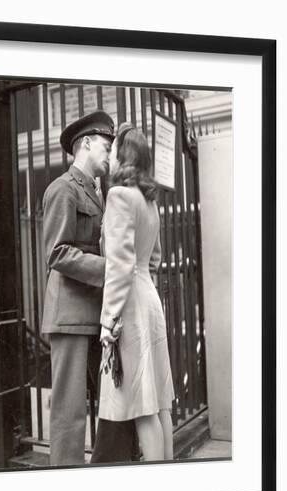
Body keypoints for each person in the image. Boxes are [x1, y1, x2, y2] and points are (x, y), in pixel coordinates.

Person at [97, 122, 175, 461]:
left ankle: (158, 490)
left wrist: (108, 320)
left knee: (142, 403)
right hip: (149, 298)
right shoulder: (148, 201)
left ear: (123, 156)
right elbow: (153, 259)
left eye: (114, 151)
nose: (111, 158)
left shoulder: (119, 196)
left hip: (129, 303)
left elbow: (118, 265)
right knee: (159, 401)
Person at [41, 110, 115, 466]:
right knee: (69, 415)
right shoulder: (62, 189)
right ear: (85, 144)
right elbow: (56, 252)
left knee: (106, 404)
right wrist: (110, 269)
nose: (110, 154)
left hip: (91, 311)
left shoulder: (97, 193)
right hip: (69, 314)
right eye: (105, 145)